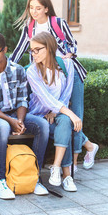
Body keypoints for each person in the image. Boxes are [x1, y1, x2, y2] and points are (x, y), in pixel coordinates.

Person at [11, 0, 98, 172]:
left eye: (38, 8)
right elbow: (19, 50)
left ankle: (73, 164)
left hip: (67, 75)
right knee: (59, 117)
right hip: (45, 78)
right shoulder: (30, 27)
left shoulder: (58, 23)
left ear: (46, 8)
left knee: (74, 116)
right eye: (31, 8)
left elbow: (73, 44)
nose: (34, 12)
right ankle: (89, 146)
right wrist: (7, 68)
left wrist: (68, 56)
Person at [0, 32, 49, 199]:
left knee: (42, 126)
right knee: (3, 126)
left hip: (16, 114)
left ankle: (34, 177)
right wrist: (11, 121)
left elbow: (23, 99)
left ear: (5, 50)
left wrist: (20, 121)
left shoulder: (18, 70)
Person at [26, 32, 79, 191]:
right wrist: (69, 112)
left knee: (64, 122)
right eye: (31, 50)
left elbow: (66, 93)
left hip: (56, 113)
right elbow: (45, 99)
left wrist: (56, 112)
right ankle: (67, 175)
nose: (33, 54)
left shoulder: (67, 65)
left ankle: (57, 168)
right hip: (37, 115)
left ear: (49, 48)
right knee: (67, 122)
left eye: (37, 50)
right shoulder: (32, 71)